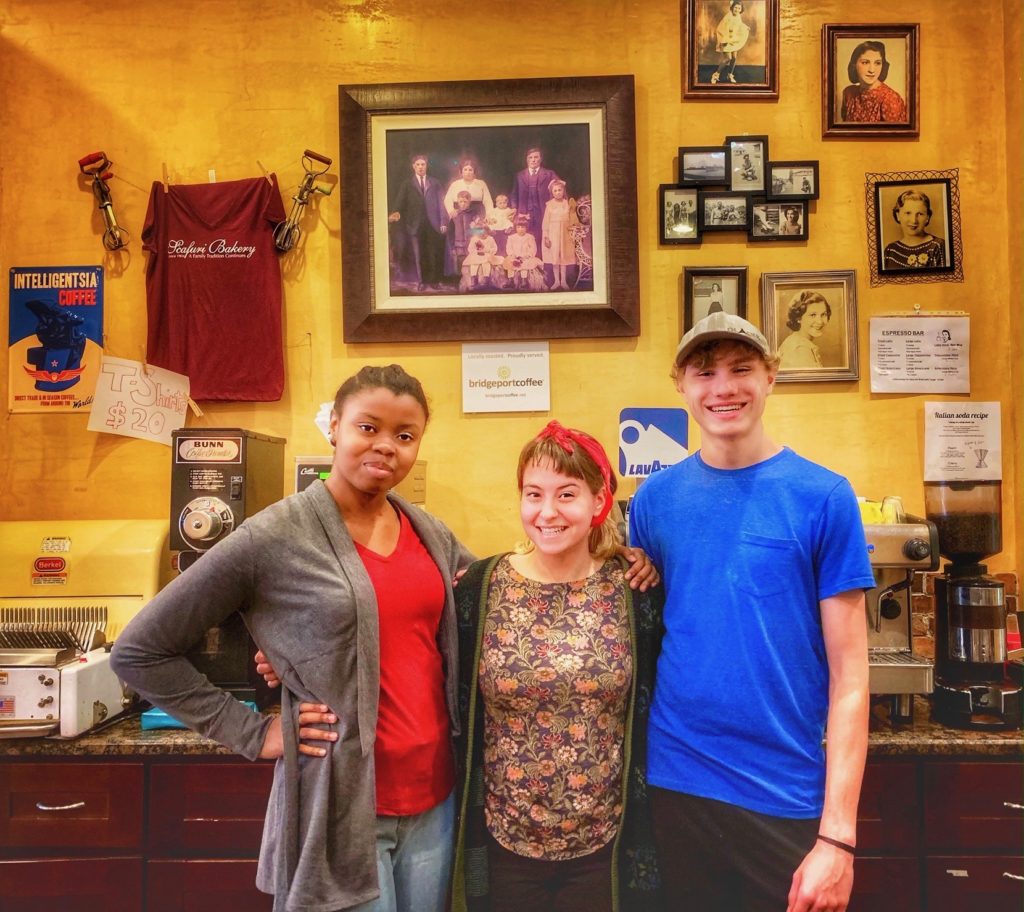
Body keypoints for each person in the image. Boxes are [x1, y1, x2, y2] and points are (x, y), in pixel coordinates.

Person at [111, 364, 475, 912]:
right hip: (344, 810)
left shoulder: (429, 532)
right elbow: (139, 651)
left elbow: (498, 600)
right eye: (367, 427)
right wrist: (254, 731)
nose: (385, 447)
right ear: (334, 425)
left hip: (435, 804)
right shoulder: (272, 535)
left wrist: (617, 557)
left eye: (404, 435)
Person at [629, 312, 874, 912]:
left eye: (741, 369)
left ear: (771, 377)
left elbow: (851, 680)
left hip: (784, 790)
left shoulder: (824, 496)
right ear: (679, 385)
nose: (723, 388)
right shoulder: (654, 501)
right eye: (704, 372)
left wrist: (838, 839)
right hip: (676, 780)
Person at [449, 421, 664, 912]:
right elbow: (417, 654)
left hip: (606, 844)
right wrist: (290, 662)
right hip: (503, 841)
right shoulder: (479, 588)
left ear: (599, 501)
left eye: (566, 494)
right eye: (533, 494)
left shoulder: (634, 591)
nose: (547, 512)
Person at [388, 154, 449, 291]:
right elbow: (400, 202)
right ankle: (421, 281)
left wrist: (443, 222)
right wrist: (395, 213)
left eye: (423, 164)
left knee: (432, 253)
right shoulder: (407, 184)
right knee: (418, 254)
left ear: (427, 166)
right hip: (414, 225)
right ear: (413, 167)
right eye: (418, 165)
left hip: (433, 224)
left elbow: (441, 204)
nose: (421, 167)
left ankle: (434, 281)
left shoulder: (435, 183)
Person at [840, 41, 908, 123]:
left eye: (877, 63)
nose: (872, 70)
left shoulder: (890, 99)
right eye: (865, 62)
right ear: (854, 64)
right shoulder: (848, 93)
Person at [883, 190, 946, 270]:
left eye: (920, 214)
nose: (914, 220)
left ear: (927, 217)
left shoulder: (937, 246)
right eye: (908, 213)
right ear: (898, 215)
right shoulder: (890, 250)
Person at [510, 148, 559, 248]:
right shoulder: (520, 175)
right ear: (527, 160)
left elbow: (559, 189)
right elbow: (514, 194)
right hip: (524, 212)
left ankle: (543, 260)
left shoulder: (549, 174)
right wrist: (514, 208)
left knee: (542, 235)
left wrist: (554, 207)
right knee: (526, 238)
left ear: (540, 159)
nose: (533, 160)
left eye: (536, 157)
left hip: (543, 211)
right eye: (530, 157)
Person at [778, 291, 831, 370]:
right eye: (813, 315)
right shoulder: (800, 349)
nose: (820, 321)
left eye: (823, 314)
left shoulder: (799, 341)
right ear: (798, 318)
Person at [541, 179, 577, 291]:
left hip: (565, 234)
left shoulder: (567, 203)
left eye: (559, 190)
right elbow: (546, 222)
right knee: (555, 257)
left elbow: (572, 219)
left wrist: (573, 231)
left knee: (563, 257)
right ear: (552, 192)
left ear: (563, 190)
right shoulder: (549, 205)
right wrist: (546, 237)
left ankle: (564, 281)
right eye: (555, 191)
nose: (557, 192)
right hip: (553, 234)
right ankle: (556, 281)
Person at [710, 1, 749, 85]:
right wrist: (724, 39)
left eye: (739, 8)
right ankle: (715, 75)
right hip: (726, 38)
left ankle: (730, 75)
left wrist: (745, 27)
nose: (737, 9)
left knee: (734, 58)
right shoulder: (728, 16)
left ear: (741, 9)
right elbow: (721, 28)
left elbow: (739, 24)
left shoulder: (738, 16)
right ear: (732, 7)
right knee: (728, 58)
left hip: (734, 39)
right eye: (735, 7)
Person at [504, 214, 544, 289]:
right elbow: (509, 248)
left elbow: (533, 248)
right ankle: (511, 280)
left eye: (523, 227)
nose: (521, 229)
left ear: (526, 228)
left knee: (525, 265)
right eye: (518, 227)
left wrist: (528, 255)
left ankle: (524, 280)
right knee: (510, 263)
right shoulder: (511, 238)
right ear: (515, 228)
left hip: (525, 257)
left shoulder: (529, 237)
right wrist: (512, 255)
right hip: (514, 256)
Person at [460, 218, 501, 290]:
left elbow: (494, 248)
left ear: (487, 231)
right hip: (477, 255)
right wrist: (476, 252)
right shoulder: (474, 239)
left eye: (484, 232)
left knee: (486, 264)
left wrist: (488, 251)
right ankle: (473, 278)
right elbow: (470, 248)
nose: (482, 234)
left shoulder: (490, 239)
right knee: (473, 263)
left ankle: (486, 279)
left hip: (486, 255)